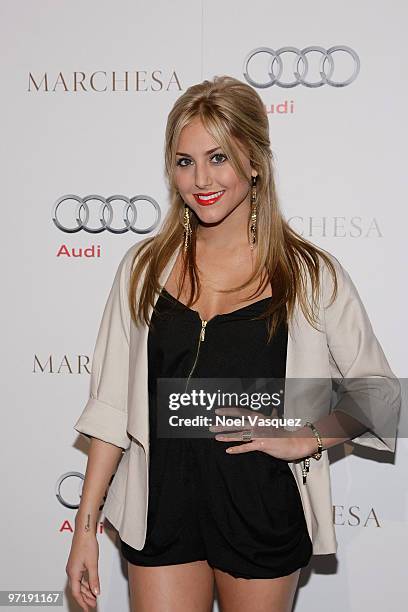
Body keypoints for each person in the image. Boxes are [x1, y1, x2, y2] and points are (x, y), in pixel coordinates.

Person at [66, 75, 400, 612]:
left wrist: (307, 436)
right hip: (161, 510)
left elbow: (379, 393)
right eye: (184, 161)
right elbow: (110, 409)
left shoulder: (309, 275)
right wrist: (84, 528)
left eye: (218, 157)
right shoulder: (144, 269)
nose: (201, 178)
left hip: (259, 507)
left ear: (254, 162)